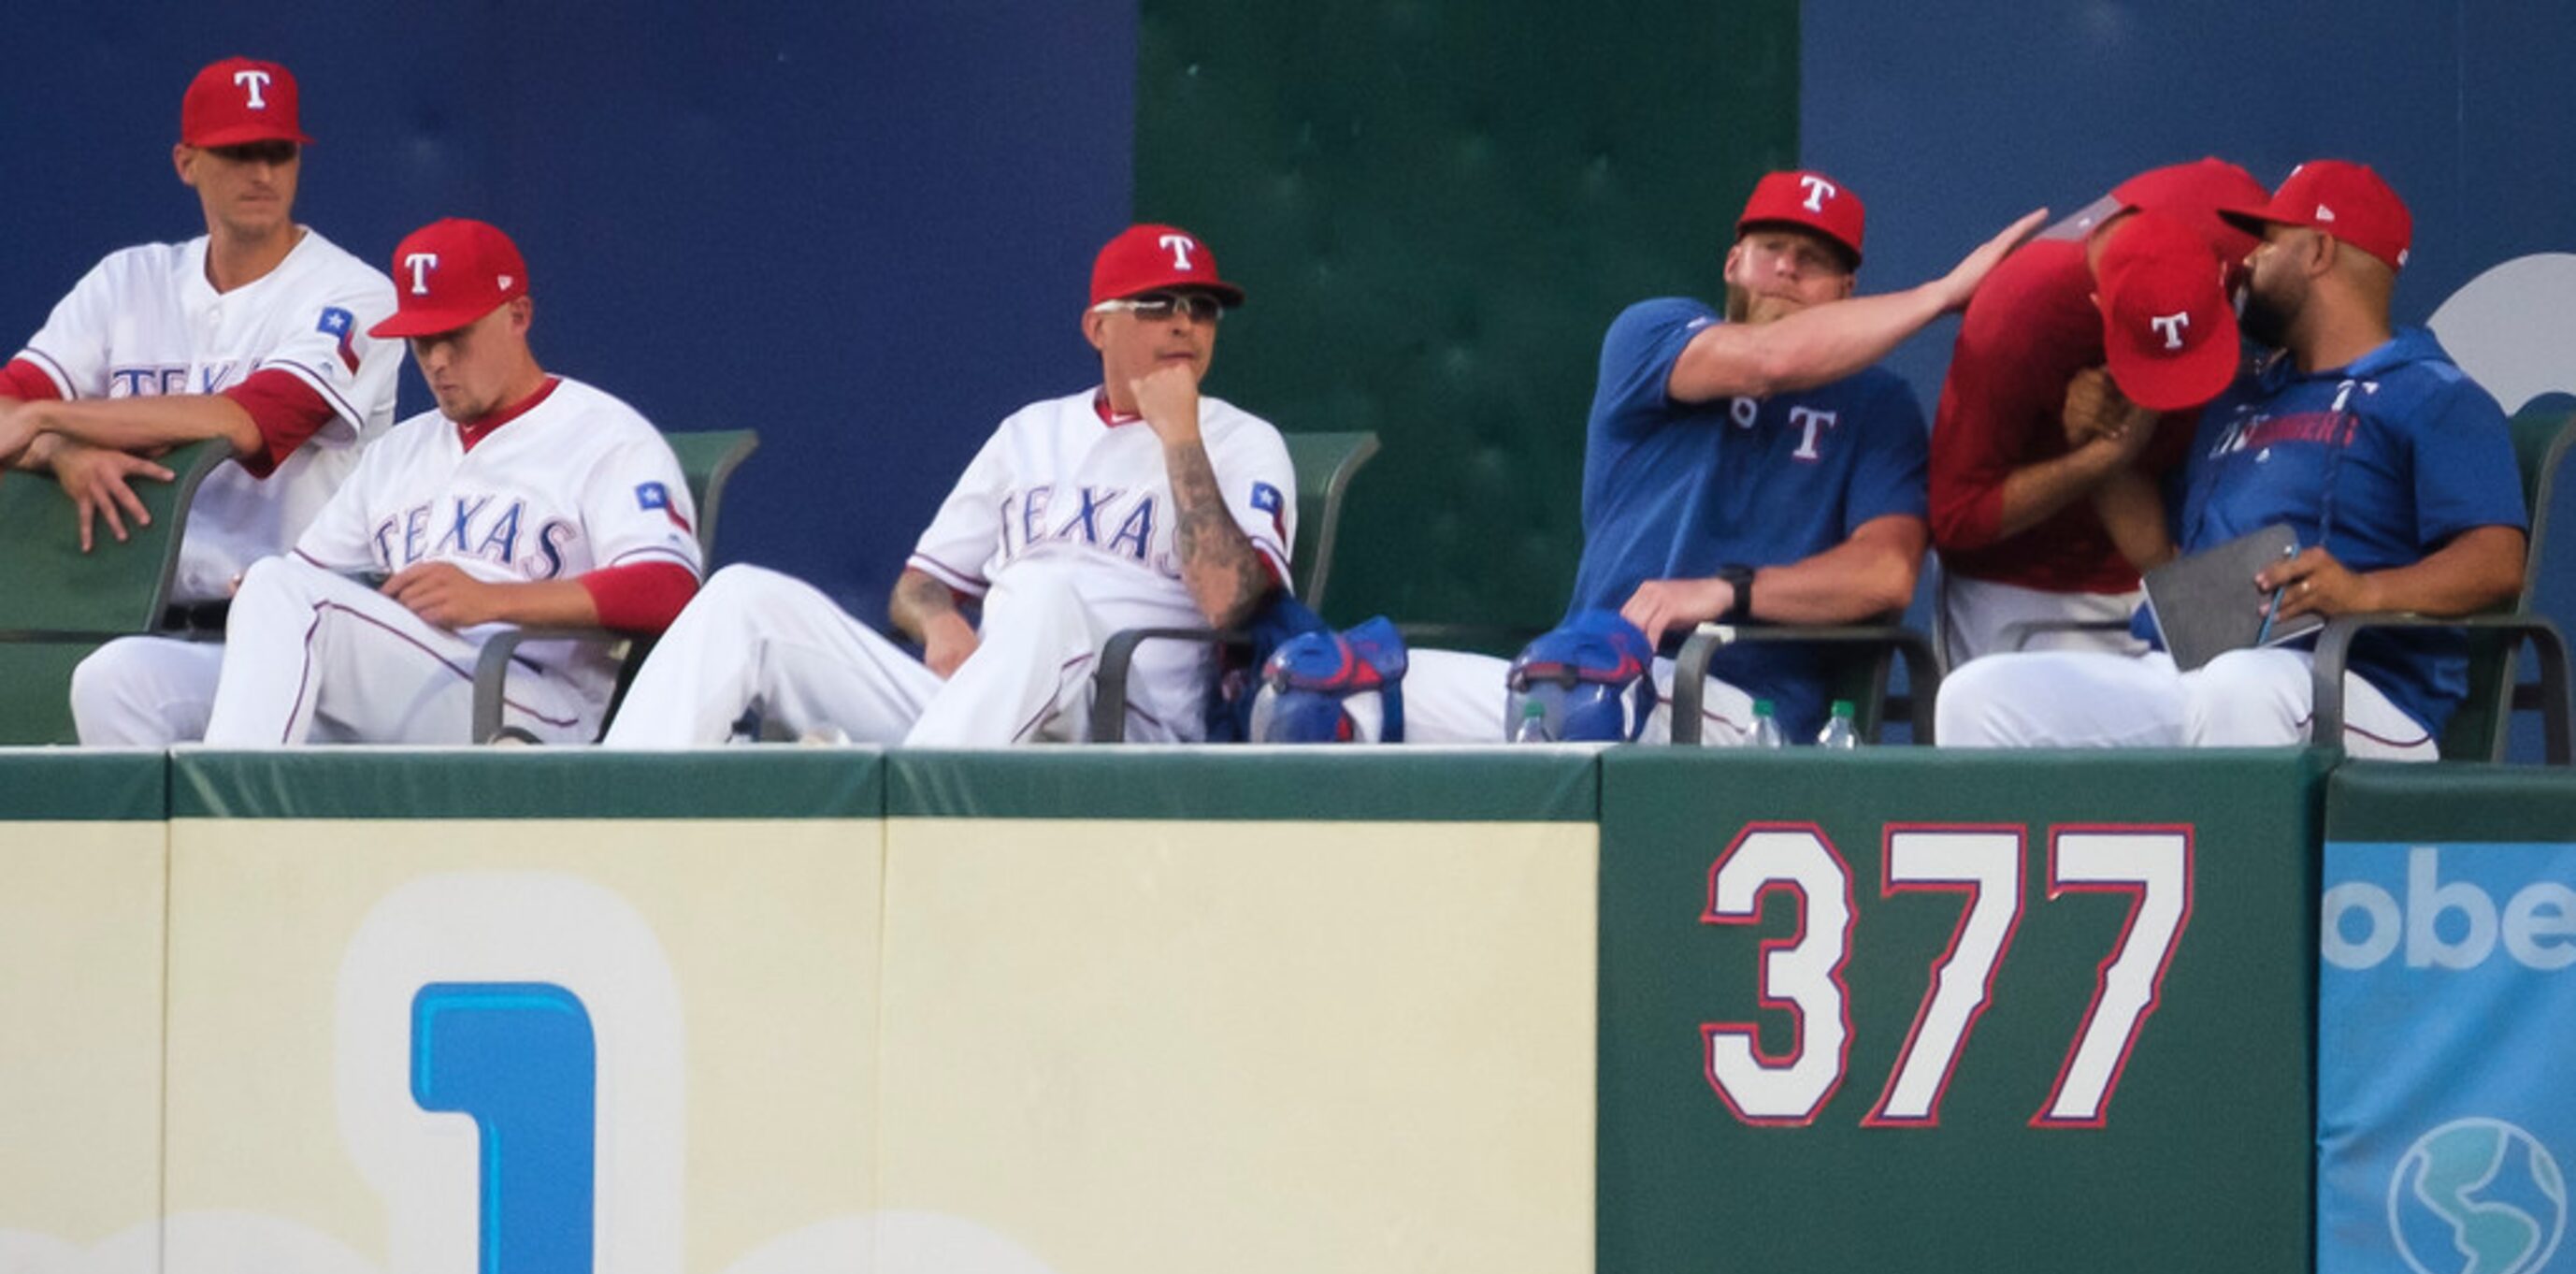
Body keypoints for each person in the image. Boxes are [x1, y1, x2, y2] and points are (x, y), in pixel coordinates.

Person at [1399, 171, 2045, 746]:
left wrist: (1726, 591)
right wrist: (1940, 295)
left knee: (1579, 711)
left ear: (1847, 288)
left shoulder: (1877, 406)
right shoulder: (1651, 335)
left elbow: (1883, 574)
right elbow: (1770, 361)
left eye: (1814, 259)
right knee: (1345, 689)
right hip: (1578, 666)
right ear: (1733, 261)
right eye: (1772, 250)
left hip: (1736, 698)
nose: (1788, 269)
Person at [603, 223, 1293, 747]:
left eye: (1201, 308)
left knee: (1042, 589)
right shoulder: (1031, 431)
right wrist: (937, 622)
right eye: (1156, 304)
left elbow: (1233, 605)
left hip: (1118, 723)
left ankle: (906, 810)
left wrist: (1179, 438)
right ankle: (612, 817)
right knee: (742, 599)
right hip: (984, 715)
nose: (1183, 322)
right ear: (1097, 328)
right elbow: (920, 583)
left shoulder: (1238, 442)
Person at [1935, 162, 2526, 759]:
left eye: (2269, 244)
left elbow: (2498, 562)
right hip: (2195, 666)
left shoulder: (2431, 393)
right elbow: (2158, 556)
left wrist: (2363, 591)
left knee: (2239, 688)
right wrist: (2105, 452)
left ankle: (2232, 857)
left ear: (2318, 252)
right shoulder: (2240, 394)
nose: (2248, 260)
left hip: (2357, 685)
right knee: (1980, 698)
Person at [0, 56, 400, 745]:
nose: (263, 174)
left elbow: (242, 421)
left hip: (302, 638)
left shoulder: (352, 294)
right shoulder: (128, 280)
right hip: (157, 629)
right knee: (110, 681)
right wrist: (62, 450)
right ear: (187, 162)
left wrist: (47, 418)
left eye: (279, 152)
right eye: (239, 153)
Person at [195, 218, 702, 744]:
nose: (437, 361)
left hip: (529, 696)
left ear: (518, 315)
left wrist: (493, 599)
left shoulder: (605, 434)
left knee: (286, 591)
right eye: (422, 341)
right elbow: (302, 578)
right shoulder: (397, 451)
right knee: (128, 675)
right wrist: (256, 591)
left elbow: (666, 587)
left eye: (455, 335)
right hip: (406, 676)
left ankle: (229, 814)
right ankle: (209, 809)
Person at [1928, 158, 2269, 662]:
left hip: (2177, 567)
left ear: (2225, 277)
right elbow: (1956, 518)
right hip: (2025, 584)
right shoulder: (2020, 313)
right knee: (1982, 711)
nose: (2176, 389)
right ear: (2097, 305)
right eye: (2153, 364)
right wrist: (2097, 460)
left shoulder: (2242, 228)